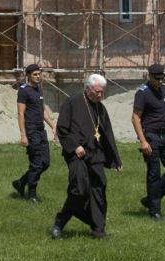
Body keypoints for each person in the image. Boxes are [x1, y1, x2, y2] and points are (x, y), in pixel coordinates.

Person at [51, 74, 122, 240]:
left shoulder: (100, 108)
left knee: (99, 189)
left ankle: (98, 230)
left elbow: (108, 134)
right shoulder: (72, 102)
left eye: (102, 92)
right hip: (77, 154)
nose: (100, 95)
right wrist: (75, 146)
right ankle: (60, 222)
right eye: (97, 92)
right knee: (79, 189)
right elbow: (62, 128)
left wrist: (116, 159)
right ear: (88, 88)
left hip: (95, 154)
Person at [132, 63, 165, 221]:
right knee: (154, 173)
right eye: (157, 78)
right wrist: (143, 141)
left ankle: (150, 199)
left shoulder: (164, 89)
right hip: (151, 136)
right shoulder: (142, 93)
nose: (160, 81)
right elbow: (135, 117)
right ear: (150, 76)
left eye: (162, 78)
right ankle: (155, 211)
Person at [12, 64, 56, 203]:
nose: (38, 76)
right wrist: (23, 135)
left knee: (45, 163)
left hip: (41, 130)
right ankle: (32, 194)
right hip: (31, 130)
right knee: (36, 163)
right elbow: (20, 114)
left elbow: (42, 110)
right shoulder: (23, 91)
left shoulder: (39, 90)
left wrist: (53, 126)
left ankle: (21, 182)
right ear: (28, 75)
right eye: (35, 74)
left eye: (39, 74)